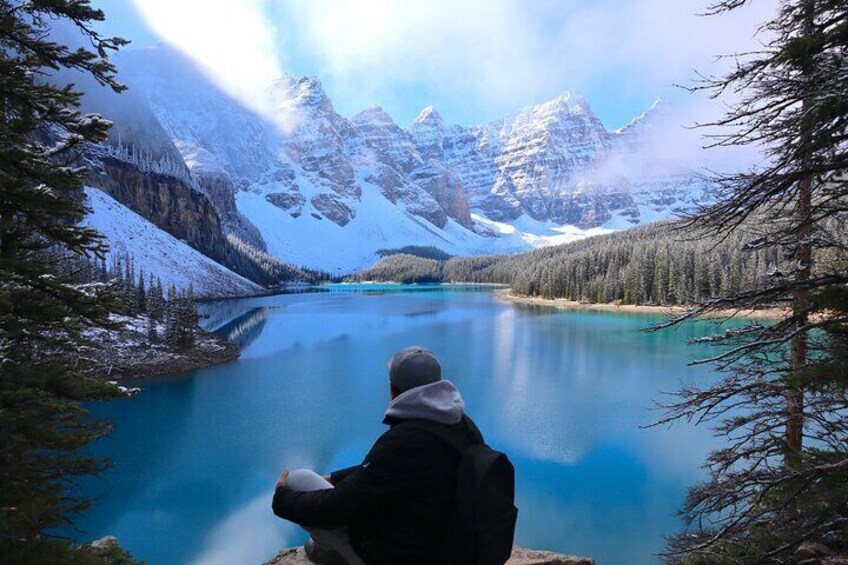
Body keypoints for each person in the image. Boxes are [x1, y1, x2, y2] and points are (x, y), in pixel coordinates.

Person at [272, 346, 483, 565]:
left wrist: (282, 498)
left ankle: (331, 552)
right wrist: (334, 478)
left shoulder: (403, 441)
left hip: (404, 555)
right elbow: (388, 469)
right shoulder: (462, 425)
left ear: (393, 388)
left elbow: (335, 507)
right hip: (450, 545)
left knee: (299, 480)